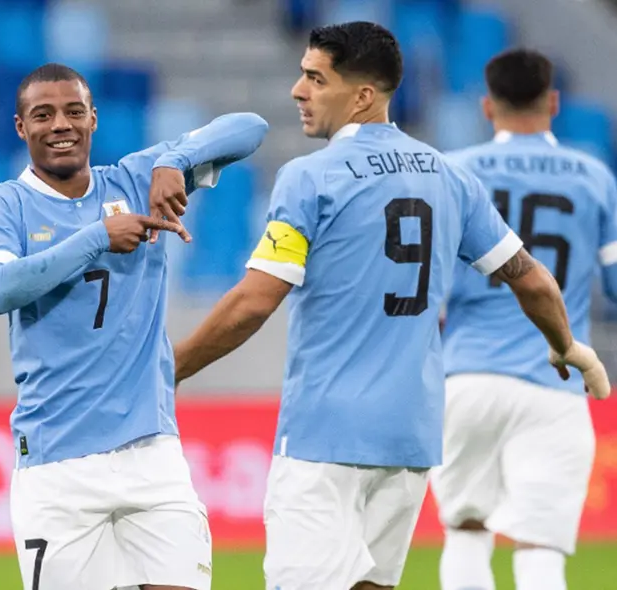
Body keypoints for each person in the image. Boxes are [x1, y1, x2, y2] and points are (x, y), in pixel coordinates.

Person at [171, 22, 610, 590]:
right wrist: (566, 346)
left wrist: (170, 367)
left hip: (324, 436)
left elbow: (254, 302)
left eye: (314, 78)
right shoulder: (450, 177)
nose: (297, 91)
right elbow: (532, 282)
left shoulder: (310, 178)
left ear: (362, 96)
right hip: (409, 437)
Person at [0, 62, 268, 590]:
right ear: (21, 128)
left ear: (94, 120)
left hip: (151, 453)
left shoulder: (135, 178)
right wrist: (96, 237)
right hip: (57, 463)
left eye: (74, 112)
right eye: (43, 114)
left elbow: (250, 127)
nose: (60, 124)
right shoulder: (3, 204)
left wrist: (174, 160)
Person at [431, 48, 616, 590]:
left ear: (488, 106)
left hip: (464, 375)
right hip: (554, 379)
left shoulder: (456, 169)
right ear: (553, 101)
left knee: (465, 531)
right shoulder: (593, 174)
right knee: (540, 550)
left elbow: (429, 283)